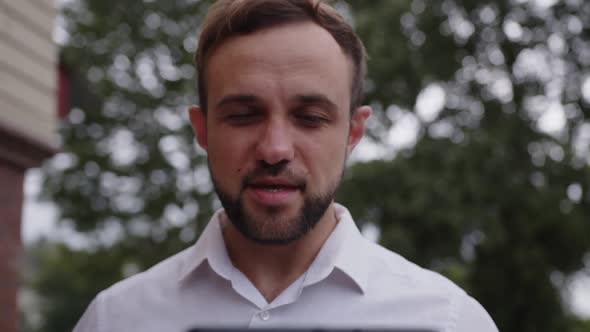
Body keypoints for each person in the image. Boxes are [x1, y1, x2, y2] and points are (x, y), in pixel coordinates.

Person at [74, 0, 498, 331]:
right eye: (242, 115)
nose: (274, 149)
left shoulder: (448, 322)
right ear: (202, 130)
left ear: (353, 132)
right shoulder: (114, 320)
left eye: (310, 118)